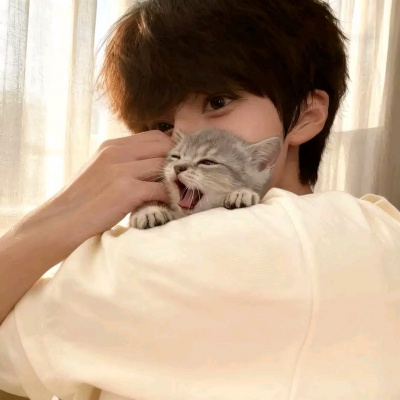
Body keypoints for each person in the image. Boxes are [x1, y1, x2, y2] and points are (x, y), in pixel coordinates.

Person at [0, 0, 399, 399]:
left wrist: (64, 213)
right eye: (162, 125)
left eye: (217, 101)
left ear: (306, 115)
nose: (180, 140)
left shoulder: (158, 258)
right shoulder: (381, 226)